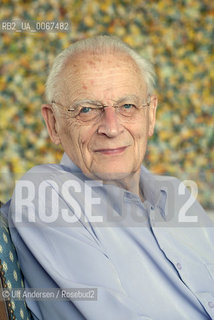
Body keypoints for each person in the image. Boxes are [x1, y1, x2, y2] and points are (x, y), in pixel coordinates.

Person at [2, 35, 214, 320]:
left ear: (150, 115)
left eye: (127, 106)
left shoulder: (176, 193)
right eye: (87, 109)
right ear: (53, 123)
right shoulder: (46, 194)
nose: (112, 128)